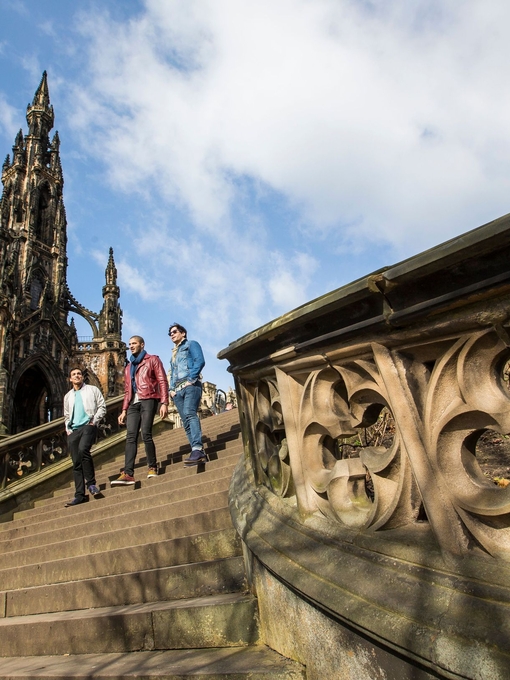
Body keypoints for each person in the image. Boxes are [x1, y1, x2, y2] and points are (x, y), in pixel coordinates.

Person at [111, 336, 169, 485]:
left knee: (146, 433)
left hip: (149, 398)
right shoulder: (128, 367)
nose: (131, 346)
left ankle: (152, 467)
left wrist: (164, 402)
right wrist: (124, 409)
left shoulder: (152, 359)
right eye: (129, 344)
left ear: (142, 345)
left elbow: (162, 380)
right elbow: (126, 390)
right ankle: (128, 473)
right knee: (130, 436)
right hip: (133, 404)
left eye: (134, 343)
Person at [63, 367, 106, 507]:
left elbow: (102, 406)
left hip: (88, 425)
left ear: (82, 377)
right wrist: (68, 429)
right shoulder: (68, 396)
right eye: (73, 374)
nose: (76, 376)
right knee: (76, 462)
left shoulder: (92, 390)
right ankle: (79, 495)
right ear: (70, 379)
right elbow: (67, 415)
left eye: (79, 374)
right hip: (74, 430)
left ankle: (92, 484)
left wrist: (94, 420)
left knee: (83, 450)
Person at [168, 323, 208, 466]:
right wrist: (171, 390)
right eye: (170, 333)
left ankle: (197, 448)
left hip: (190, 386)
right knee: (185, 421)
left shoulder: (191, 344)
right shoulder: (174, 353)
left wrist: (191, 380)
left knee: (189, 413)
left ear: (183, 333)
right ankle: (197, 452)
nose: (171, 334)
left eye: (174, 332)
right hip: (177, 391)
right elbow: (172, 373)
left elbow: (200, 361)